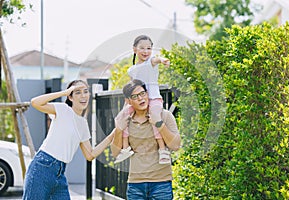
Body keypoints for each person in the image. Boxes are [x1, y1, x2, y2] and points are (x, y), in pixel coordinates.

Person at [23, 80, 114, 200]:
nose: (83, 96)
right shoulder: (63, 110)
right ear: (70, 97)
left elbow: (90, 154)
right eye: (77, 92)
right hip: (42, 167)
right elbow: (35, 102)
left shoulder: (83, 124)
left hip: (60, 173)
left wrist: (113, 134)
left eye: (85, 91)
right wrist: (64, 92)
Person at [111, 79, 181, 199]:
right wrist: (118, 130)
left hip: (161, 183)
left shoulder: (164, 115)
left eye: (143, 93)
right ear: (128, 101)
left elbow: (175, 146)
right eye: (135, 96)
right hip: (135, 185)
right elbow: (115, 152)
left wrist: (159, 124)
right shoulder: (125, 120)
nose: (140, 98)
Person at [114, 35, 171, 164]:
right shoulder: (131, 70)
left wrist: (163, 60)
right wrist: (127, 103)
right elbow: (131, 87)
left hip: (153, 98)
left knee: (155, 117)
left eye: (149, 48)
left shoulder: (150, 62)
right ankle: (125, 148)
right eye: (142, 48)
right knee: (121, 118)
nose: (146, 51)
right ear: (134, 49)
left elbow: (157, 59)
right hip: (137, 101)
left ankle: (162, 150)